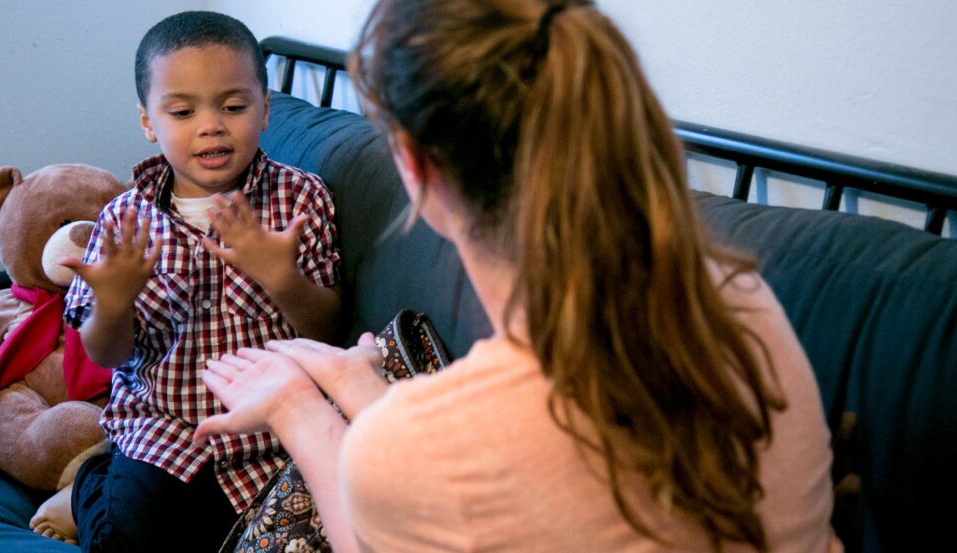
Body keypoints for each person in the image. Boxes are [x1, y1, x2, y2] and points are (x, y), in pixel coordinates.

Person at [193, 0, 842, 552]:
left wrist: (298, 407)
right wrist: (354, 381)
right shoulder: (742, 303)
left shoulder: (410, 451)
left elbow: (405, 501)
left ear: (417, 171)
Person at [28, 11, 341, 552]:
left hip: (271, 436)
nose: (211, 125)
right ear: (149, 122)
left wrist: (280, 277)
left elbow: (326, 327)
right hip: (163, 432)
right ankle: (87, 485)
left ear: (265, 110)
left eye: (233, 106)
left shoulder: (300, 200)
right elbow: (105, 354)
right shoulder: (125, 221)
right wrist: (114, 302)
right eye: (182, 110)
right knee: (130, 538)